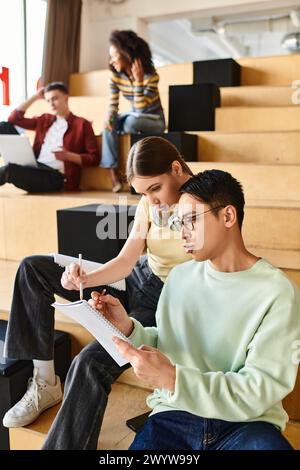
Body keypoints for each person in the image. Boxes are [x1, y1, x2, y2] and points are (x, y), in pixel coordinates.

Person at [3, 137, 193, 449]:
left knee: (87, 363)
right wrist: (83, 278)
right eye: (144, 193)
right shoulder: (149, 204)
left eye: (155, 189)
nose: (152, 200)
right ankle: (45, 380)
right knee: (32, 268)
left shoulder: (206, 203)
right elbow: (125, 261)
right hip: (136, 280)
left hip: (166, 302)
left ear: (176, 168)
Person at [94, 170, 300, 451]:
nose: (183, 233)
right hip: (174, 416)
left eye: (191, 220)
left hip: (248, 424)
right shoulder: (180, 278)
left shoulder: (277, 292)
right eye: (179, 223)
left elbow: (260, 388)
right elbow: (169, 343)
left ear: (228, 216)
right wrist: (129, 329)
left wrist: (174, 379)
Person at [0, 82, 99, 192]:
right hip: (35, 166)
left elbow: (94, 159)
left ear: (66, 98)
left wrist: (69, 156)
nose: (51, 104)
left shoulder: (82, 124)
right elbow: (13, 119)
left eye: (55, 98)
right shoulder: (44, 120)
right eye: (48, 100)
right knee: (3, 127)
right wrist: (36, 97)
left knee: (10, 170)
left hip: (55, 176)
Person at [101, 30, 165, 193]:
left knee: (129, 123)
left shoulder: (151, 76)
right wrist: (110, 115)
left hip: (154, 120)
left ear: (126, 53)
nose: (112, 61)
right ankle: (112, 171)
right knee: (108, 124)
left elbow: (141, 108)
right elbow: (113, 104)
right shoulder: (115, 76)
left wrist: (138, 81)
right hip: (133, 116)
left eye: (114, 55)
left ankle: (130, 172)